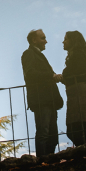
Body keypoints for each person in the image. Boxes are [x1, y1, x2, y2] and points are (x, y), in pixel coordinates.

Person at [21, 29, 64, 157]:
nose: (46, 41)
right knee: (44, 133)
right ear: (34, 40)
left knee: (53, 137)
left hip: (48, 100)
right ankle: (42, 164)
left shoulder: (37, 54)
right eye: (43, 38)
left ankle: (48, 163)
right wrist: (51, 75)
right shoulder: (28, 54)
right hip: (42, 100)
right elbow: (30, 74)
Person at [56, 30, 86, 146]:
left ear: (72, 40)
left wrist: (62, 76)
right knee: (80, 130)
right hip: (77, 94)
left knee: (75, 131)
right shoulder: (77, 55)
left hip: (79, 94)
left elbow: (71, 74)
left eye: (66, 39)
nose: (63, 42)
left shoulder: (77, 55)